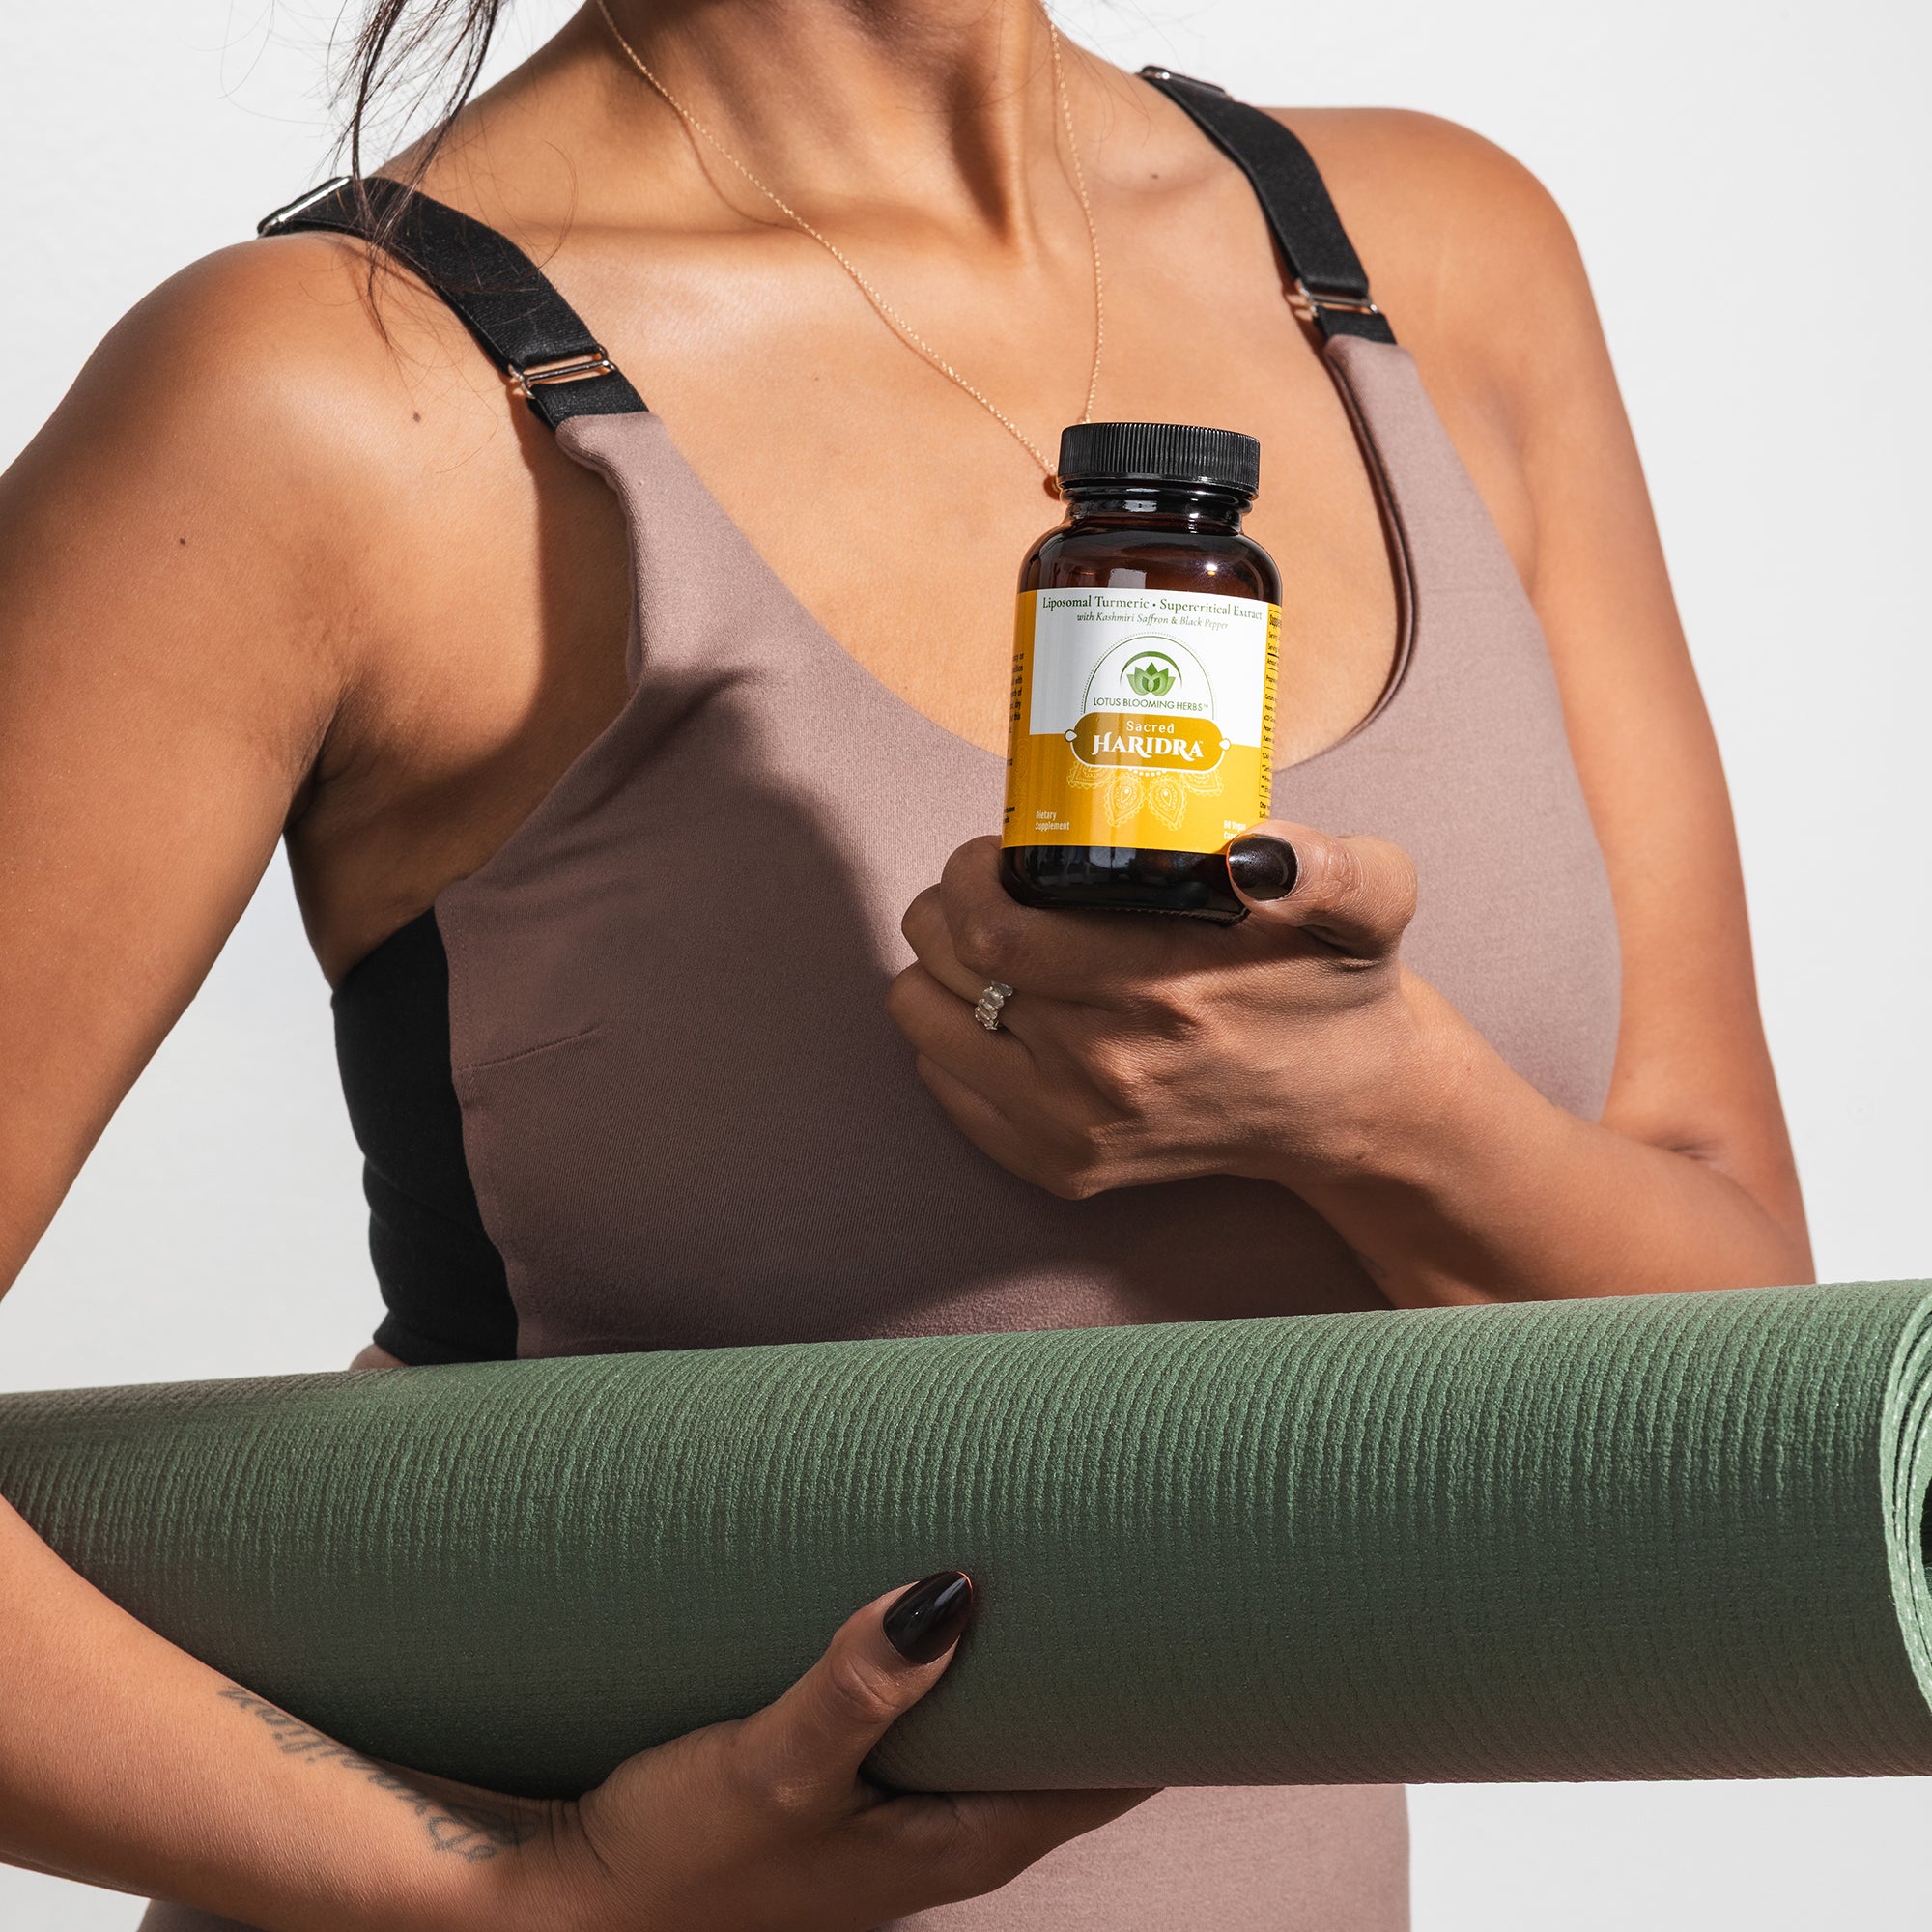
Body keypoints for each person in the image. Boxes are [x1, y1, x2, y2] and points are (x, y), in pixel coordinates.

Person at [0, 0, 1812, 1925]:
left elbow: (1732, 1374)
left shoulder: (1428, 259)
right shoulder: (329, 394)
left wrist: (1394, 1118)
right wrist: (519, 1897)